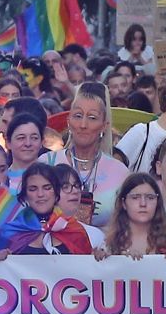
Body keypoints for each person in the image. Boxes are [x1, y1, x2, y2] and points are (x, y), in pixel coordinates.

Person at [40, 82, 128, 227]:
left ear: (104, 126)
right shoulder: (45, 164)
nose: (83, 124)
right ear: (69, 121)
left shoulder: (120, 173)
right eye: (78, 116)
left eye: (92, 118)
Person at [0, 164, 92, 255]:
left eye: (47, 188)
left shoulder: (75, 231)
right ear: (25, 195)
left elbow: (89, 268)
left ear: (56, 192)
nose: (40, 194)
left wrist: (99, 257)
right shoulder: (9, 233)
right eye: (33, 189)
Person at [95, 173, 166, 259]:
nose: (143, 204)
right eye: (135, 197)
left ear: (157, 202)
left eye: (150, 197)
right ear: (124, 203)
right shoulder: (110, 243)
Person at [5, 113, 46, 192]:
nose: (28, 143)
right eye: (21, 138)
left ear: (42, 142)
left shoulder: (53, 177)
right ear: (8, 143)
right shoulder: (0, 181)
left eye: (34, 138)